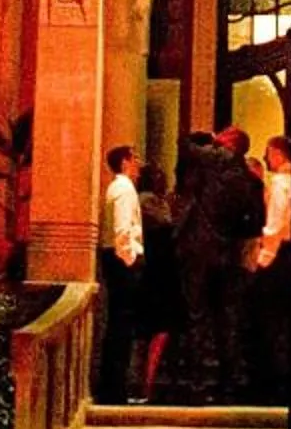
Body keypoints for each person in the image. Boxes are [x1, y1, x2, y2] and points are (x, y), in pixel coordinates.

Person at [175, 123, 264, 398]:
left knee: (196, 315)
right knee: (227, 317)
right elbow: (255, 222)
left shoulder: (214, 159)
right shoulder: (251, 180)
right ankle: (228, 382)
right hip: (230, 252)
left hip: (199, 248)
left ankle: (196, 383)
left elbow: (185, 145)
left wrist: (203, 136)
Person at [94, 143, 144, 404]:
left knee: (118, 323)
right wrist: (130, 259)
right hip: (122, 259)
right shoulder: (124, 189)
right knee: (121, 325)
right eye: (135, 158)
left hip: (115, 258)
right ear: (125, 162)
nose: (139, 164)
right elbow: (122, 228)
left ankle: (112, 387)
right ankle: (115, 389)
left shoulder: (116, 187)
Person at [247, 134, 291, 403]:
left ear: (278, 152)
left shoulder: (279, 183)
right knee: (285, 320)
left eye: (269, 152)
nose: (267, 158)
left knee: (269, 321)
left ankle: (270, 382)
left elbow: (275, 224)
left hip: (278, 255)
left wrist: (263, 258)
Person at [135, 160, 184, 398]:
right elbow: (165, 229)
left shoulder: (157, 202)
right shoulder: (148, 202)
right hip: (157, 270)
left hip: (159, 270)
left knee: (158, 329)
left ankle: (146, 381)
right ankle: (146, 382)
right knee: (159, 328)